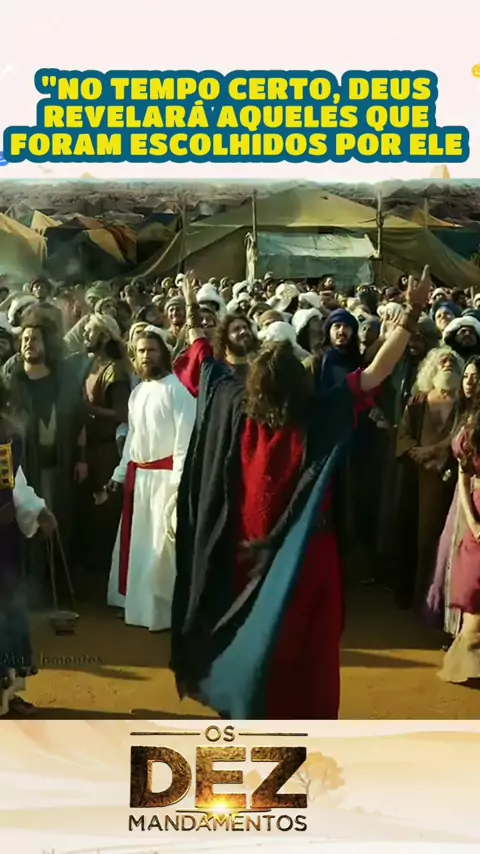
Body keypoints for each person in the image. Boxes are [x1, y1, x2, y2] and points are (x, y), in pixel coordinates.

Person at [170, 268, 431, 720]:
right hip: (308, 558)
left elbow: (202, 355)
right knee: (309, 653)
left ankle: (251, 719)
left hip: (247, 557)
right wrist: (411, 313)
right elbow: (374, 374)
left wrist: (193, 307)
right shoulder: (320, 411)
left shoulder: (231, 401)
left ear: (254, 383)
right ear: (299, 380)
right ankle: (306, 730)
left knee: (250, 642)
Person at [105, 326, 196, 631]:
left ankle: (160, 616)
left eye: (152, 350)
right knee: (140, 549)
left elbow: (184, 444)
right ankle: (136, 608)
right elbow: (133, 439)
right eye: (141, 351)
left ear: (164, 354)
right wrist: (119, 475)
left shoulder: (177, 391)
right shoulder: (138, 393)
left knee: (161, 555)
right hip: (139, 481)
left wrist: (179, 487)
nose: (146, 356)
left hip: (165, 483)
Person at [0, 377, 57, 717]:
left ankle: (8, 694)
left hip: (4, 544)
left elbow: (16, 485)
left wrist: (39, 511)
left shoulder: (8, 437)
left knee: (10, 612)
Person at [393, 347, 463, 609]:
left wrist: (441, 455)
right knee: (417, 539)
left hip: (452, 481)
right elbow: (404, 436)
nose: (447, 365)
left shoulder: (464, 405)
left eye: (452, 362)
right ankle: (417, 598)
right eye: (442, 361)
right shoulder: (418, 402)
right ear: (432, 369)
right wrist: (418, 453)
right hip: (417, 480)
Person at [427, 356, 480, 643]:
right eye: (467, 376)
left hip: (474, 493)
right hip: (462, 494)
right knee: (451, 557)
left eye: (476, 377)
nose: (469, 382)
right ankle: (453, 628)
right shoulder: (462, 410)